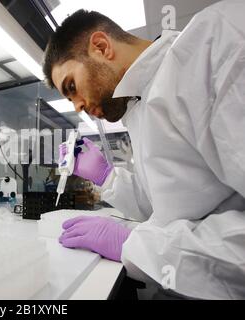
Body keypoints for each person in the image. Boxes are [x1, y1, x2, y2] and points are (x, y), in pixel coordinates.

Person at [43, 0, 245, 299]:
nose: (77, 107)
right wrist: (107, 177)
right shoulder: (138, 107)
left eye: (71, 86)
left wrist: (134, 244)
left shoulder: (213, 47)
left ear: (100, 46)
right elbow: (166, 207)